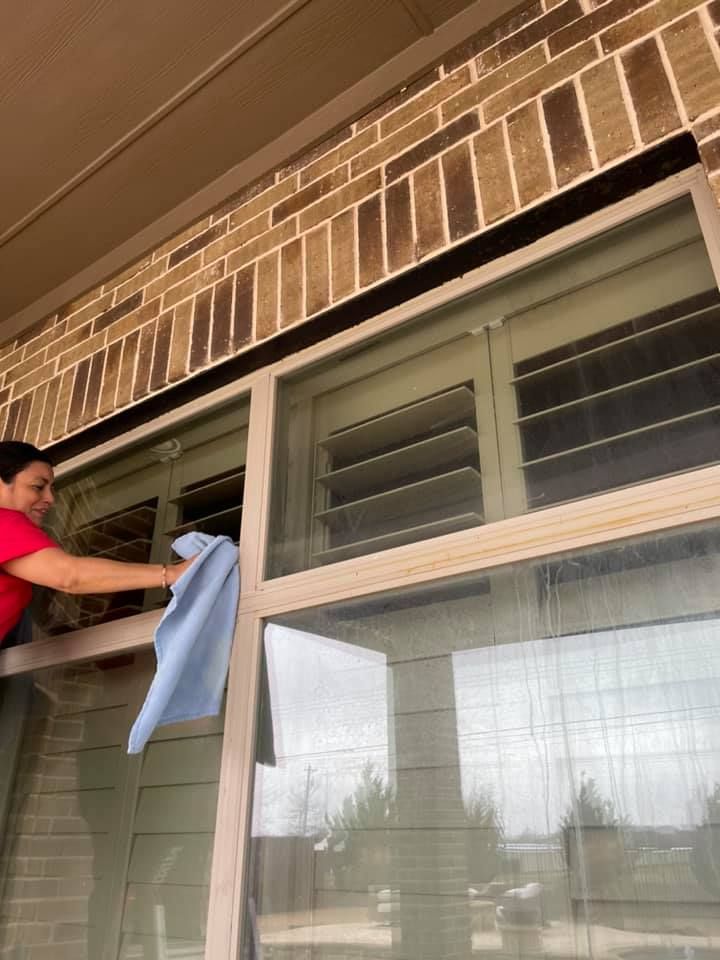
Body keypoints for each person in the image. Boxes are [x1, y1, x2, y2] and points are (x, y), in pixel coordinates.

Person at [0, 440, 194, 647]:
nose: (50, 498)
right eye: (38, 487)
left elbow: (43, 612)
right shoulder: (5, 520)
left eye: (51, 488)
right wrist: (172, 573)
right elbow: (69, 575)